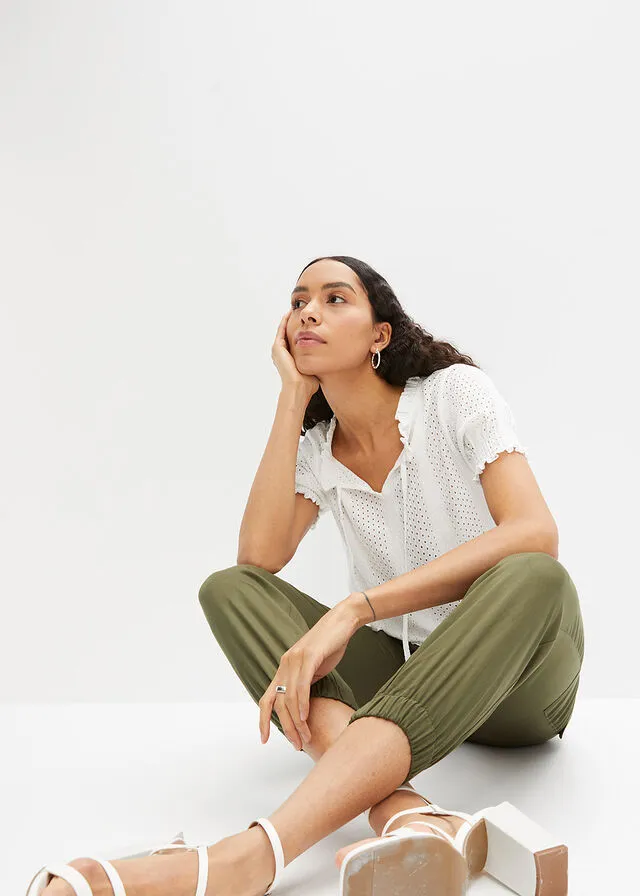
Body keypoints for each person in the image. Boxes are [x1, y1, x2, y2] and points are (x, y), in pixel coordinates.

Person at [33, 256, 583, 895]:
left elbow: (535, 532)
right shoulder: (320, 449)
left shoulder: (452, 394)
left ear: (381, 334)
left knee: (535, 575)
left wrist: (356, 609)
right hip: (411, 673)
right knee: (229, 591)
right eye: (297, 302)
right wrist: (293, 395)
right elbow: (257, 559)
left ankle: (252, 857)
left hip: (517, 681)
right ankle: (408, 813)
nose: (308, 312)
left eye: (334, 298)